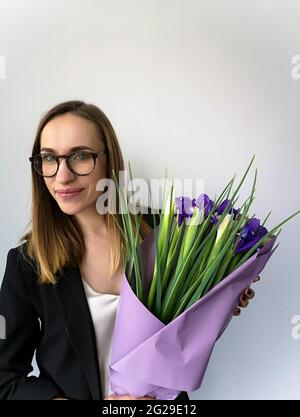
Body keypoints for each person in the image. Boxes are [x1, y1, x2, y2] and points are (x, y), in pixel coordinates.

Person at [0, 100, 258, 400]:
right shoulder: (28, 263)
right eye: (48, 158)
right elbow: (5, 377)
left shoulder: (168, 234)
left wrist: (226, 293)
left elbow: (195, 320)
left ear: (109, 160)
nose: (62, 175)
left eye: (80, 156)